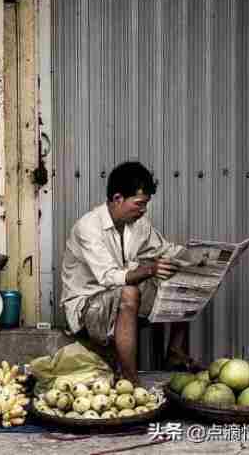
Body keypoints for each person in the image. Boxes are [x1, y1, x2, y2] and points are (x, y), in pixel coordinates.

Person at [59, 161, 199, 384]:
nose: (143, 210)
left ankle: (174, 352)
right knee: (129, 292)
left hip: (119, 297)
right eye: (139, 204)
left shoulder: (139, 224)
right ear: (117, 199)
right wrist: (150, 269)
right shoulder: (88, 227)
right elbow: (109, 277)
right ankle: (130, 380)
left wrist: (203, 259)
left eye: (146, 204)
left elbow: (166, 250)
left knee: (182, 278)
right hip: (88, 308)